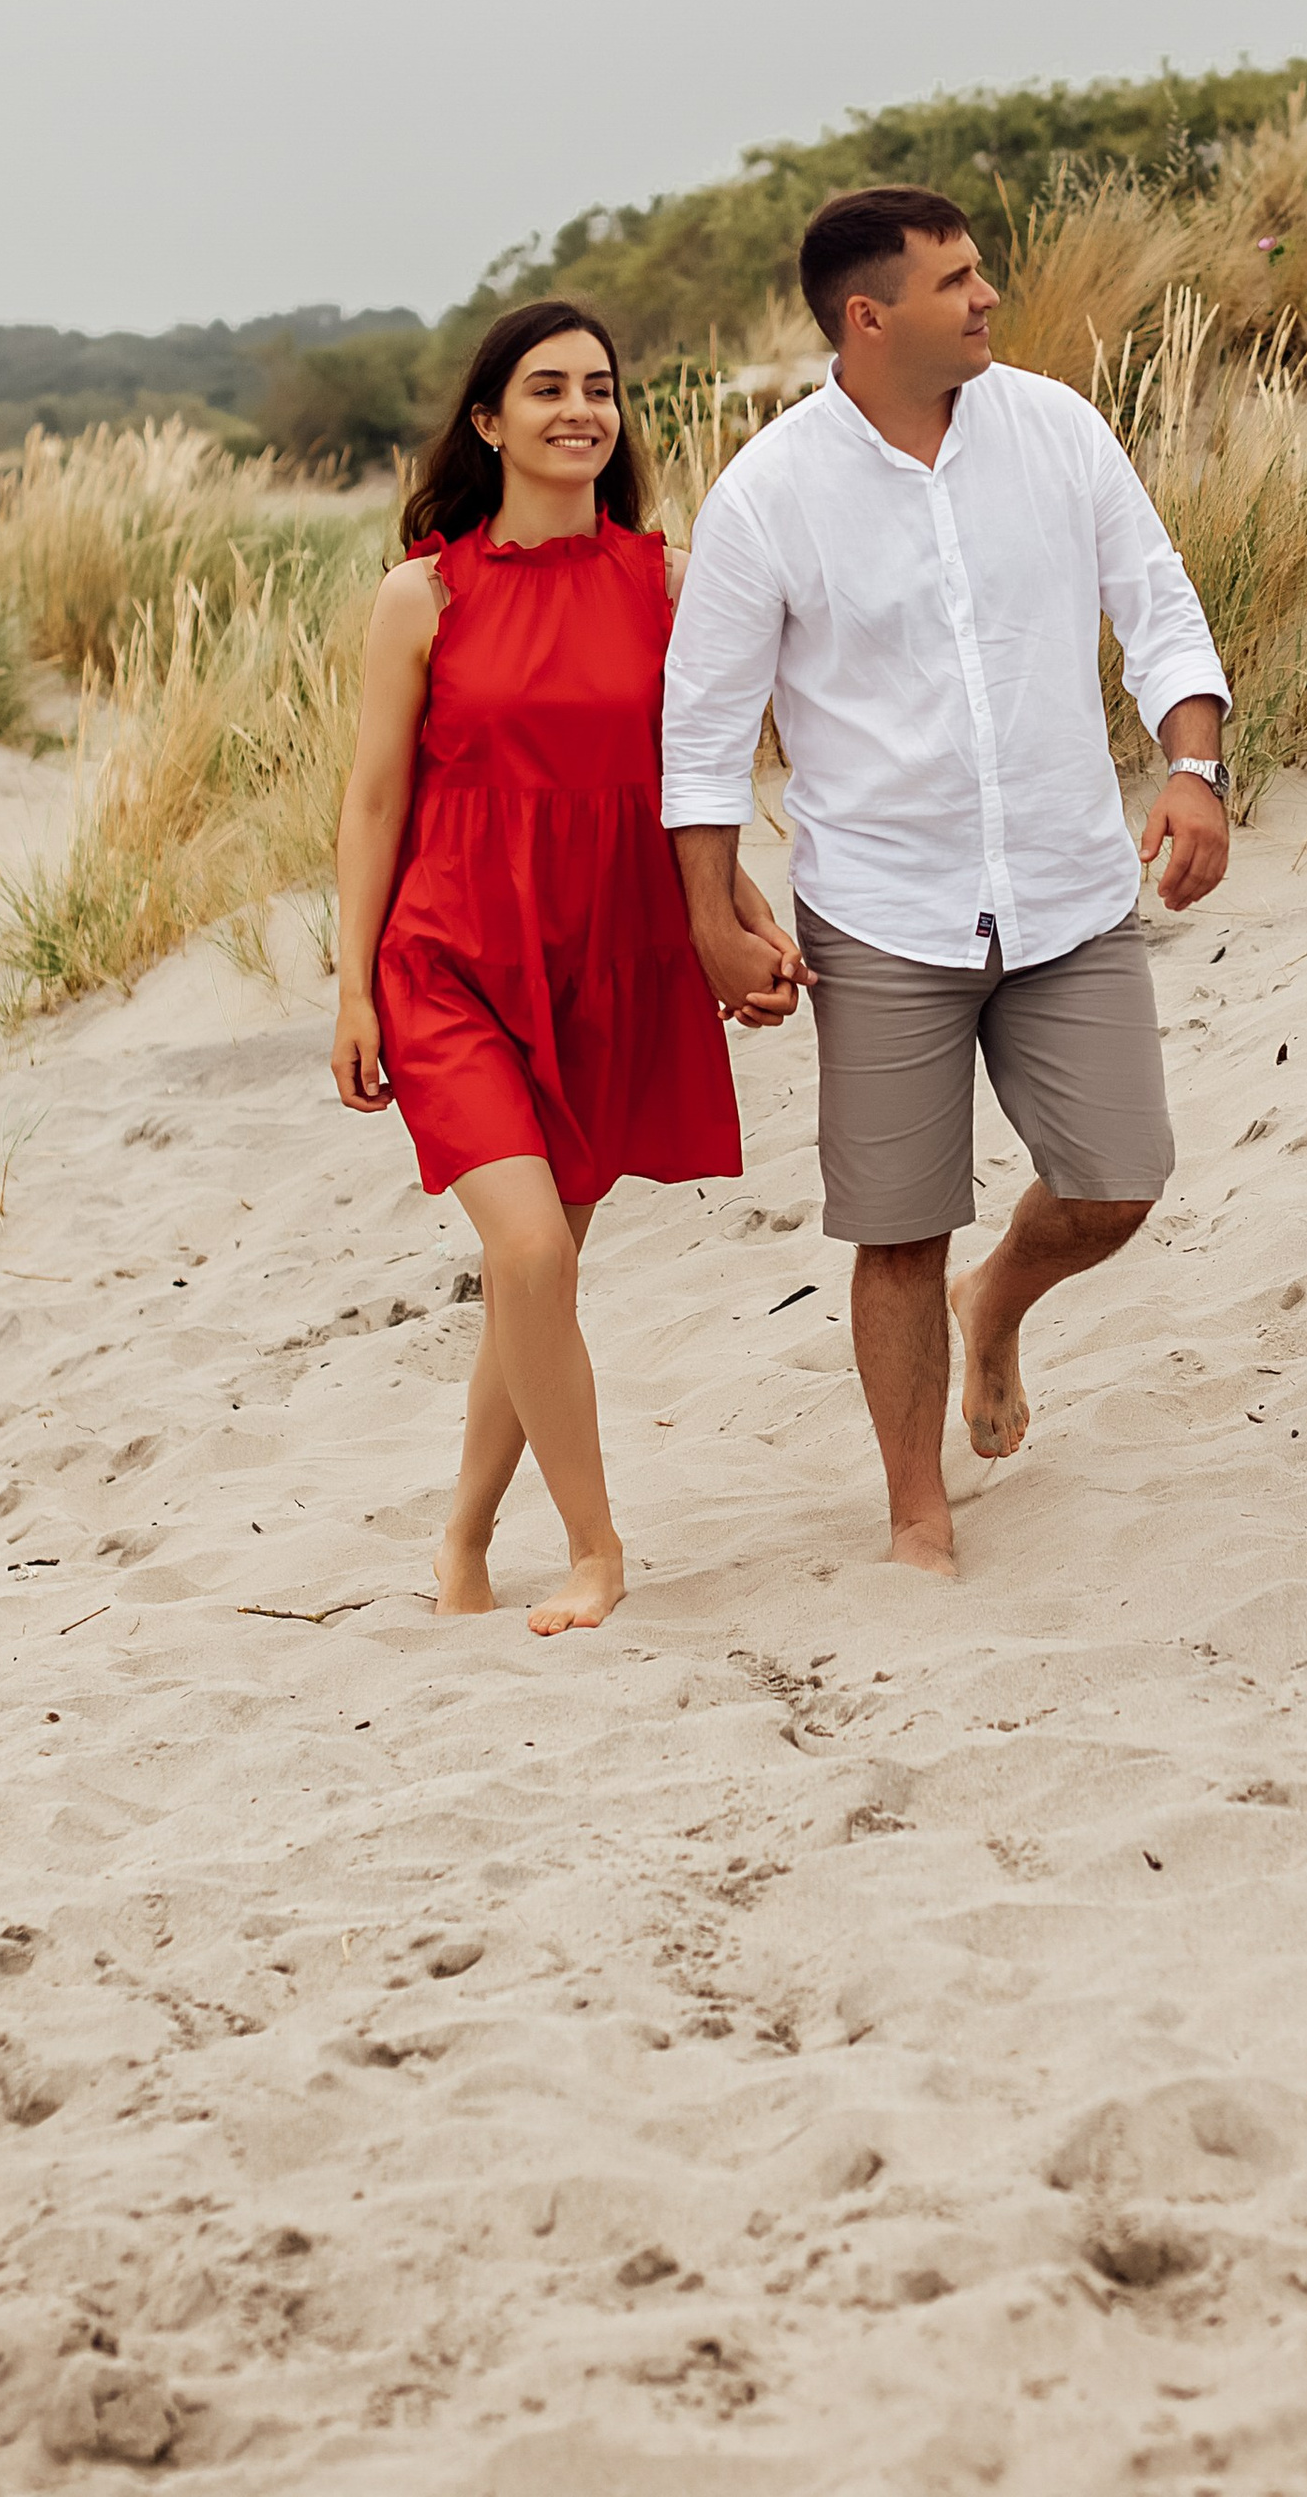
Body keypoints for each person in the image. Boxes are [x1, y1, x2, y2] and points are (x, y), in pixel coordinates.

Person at [660, 187, 1231, 1577]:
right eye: (957, 281)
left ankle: (1004, 1305)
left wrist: (1194, 764)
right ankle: (918, 1513)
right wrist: (711, 920)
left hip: (1067, 884)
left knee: (1116, 1186)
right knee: (899, 1231)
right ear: (870, 317)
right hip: (883, 912)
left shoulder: (1057, 430)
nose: (987, 299)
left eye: (981, 276)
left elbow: (1154, 601)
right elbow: (703, 727)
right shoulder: (769, 495)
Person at [330, 299, 800, 1632]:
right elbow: (372, 804)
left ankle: (465, 1543)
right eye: (547, 388)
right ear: (489, 420)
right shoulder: (419, 596)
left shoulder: (666, 581)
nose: (581, 409)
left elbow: (688, 783)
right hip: (451, 958)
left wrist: (739, 917)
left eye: (600, 387)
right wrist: (355, 984)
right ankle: (597, 1550)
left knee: (538, 1279)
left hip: (610, 952)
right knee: (530, 1249)